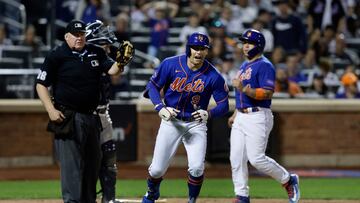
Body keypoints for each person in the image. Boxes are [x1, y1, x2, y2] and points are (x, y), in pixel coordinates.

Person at [35, 19, 132, 203]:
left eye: (82, 35)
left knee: (92, 164)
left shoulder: (95, 51)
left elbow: (113, 71)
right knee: (72, 166)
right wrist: (50, 109)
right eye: (76, 35)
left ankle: (88, 200)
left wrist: (121, 62)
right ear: (66, 36)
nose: (79, 38)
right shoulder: (56, 55)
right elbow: (41, 84)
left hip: (92, 116)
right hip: (68, 115)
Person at [141, 32, 229, 203]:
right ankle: (152, 193)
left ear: (207, 51)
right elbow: (152, 86)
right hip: (171, 121)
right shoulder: (170, 64)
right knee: (157, 170)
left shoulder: (213, 75)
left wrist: (209, 113)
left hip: (196, 123)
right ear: (189, 48)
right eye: (195, 48)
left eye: (203, 49)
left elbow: (224, 105)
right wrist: (160, 107)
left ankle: (192, 200)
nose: (199, 52)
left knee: (196, 168)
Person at [228, 29, 300, 203]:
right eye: (244, 42)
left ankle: (288, 180)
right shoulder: (245, 65)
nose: (245, 46)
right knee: (236, 158)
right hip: (242, 116)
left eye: (249, 42)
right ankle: (242, 196)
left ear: (258, 45)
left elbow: (267, 93)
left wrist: (244, 88)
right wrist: (235, 113)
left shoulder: (265, 65)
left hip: (258, 115)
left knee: (257, 159)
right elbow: (241, 96)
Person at [85, 20, 133, 203]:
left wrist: (120, 61)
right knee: (89, 160)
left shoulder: (105, 60)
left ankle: (109, 198)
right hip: (86, 115)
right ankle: (87, 197)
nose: (107, 47)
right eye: (104, 45)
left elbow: (115, 75)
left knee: (109, 157)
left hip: (104, 113)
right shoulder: (84, 59)